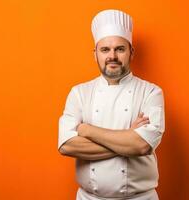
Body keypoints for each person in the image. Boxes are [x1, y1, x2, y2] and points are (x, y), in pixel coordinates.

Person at [58, 9, 165, 200]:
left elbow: (142, 146)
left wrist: (87, 130)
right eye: (105, 49)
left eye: (120, 49)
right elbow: (66, 146)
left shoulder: (151, 92)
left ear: (131, 52)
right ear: (95, 54)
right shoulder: (79, 93)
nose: (112, 56)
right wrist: (127, 140)